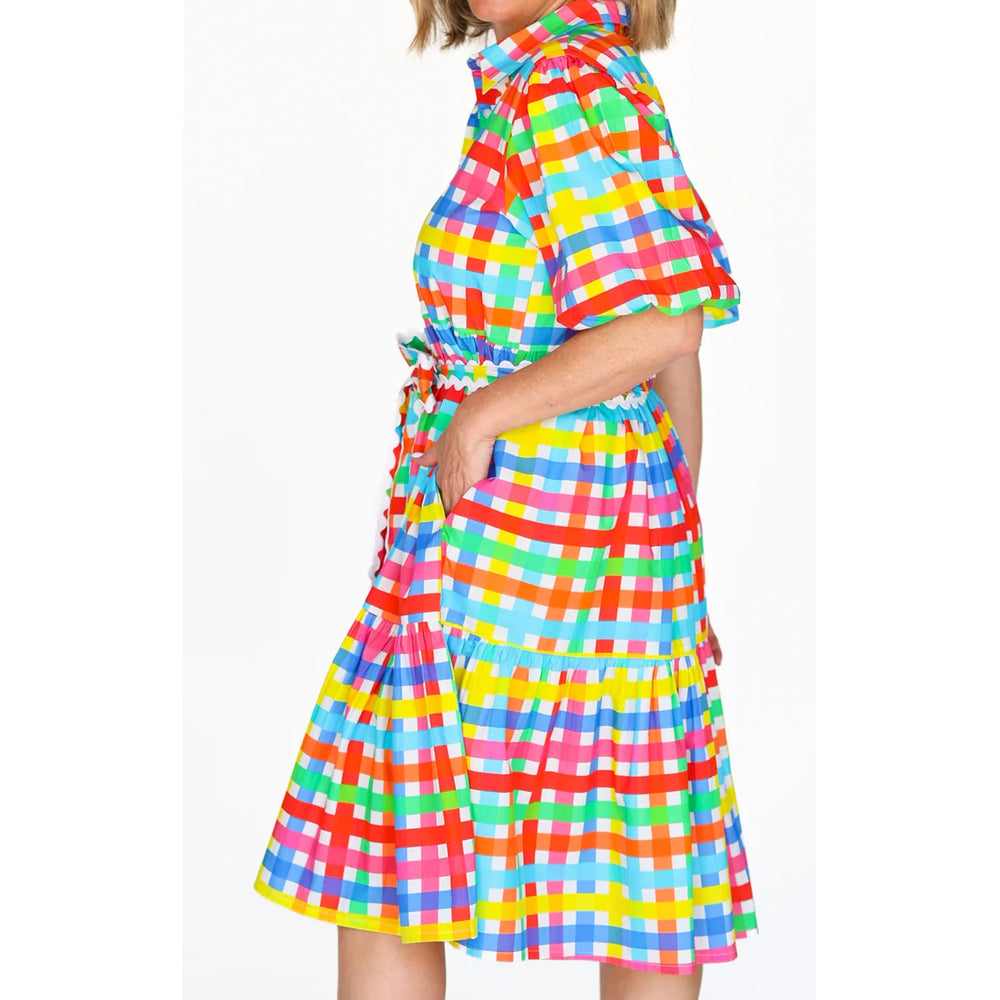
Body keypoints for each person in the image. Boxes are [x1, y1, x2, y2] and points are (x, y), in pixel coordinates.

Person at [252, 2, 758, 998]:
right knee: (634, 847)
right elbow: (667, 337)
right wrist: (669, 563)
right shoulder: (562, 74)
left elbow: (665, 326)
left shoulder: (569, 78)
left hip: (525, 531)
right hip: (589, 535)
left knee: (392, 845)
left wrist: (483, 412)